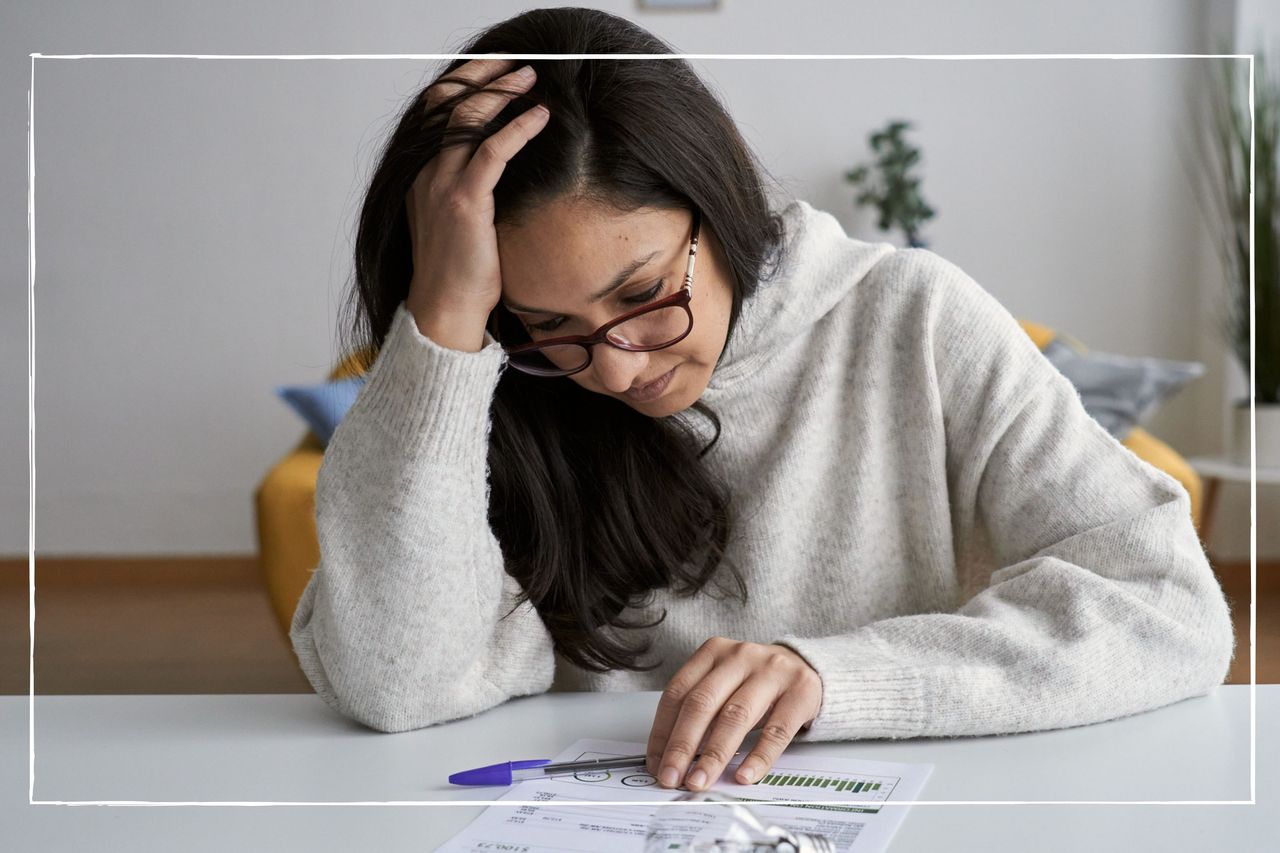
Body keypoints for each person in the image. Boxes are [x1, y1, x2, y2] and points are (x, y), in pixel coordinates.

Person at [288, 7, 1235, 794]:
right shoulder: (491, 375)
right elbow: (399, 682)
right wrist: (447, 324)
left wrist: (837, 678)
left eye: (643, 294)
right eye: (550, 326)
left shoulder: (913, 319)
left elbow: (1168, 607)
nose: (614, 371)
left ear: (718, 199)